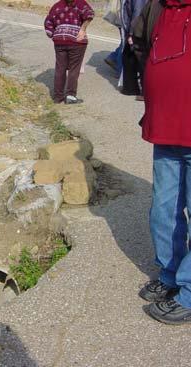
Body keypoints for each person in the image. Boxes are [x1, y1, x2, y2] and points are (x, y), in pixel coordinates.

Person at [139, 0, 191, 325]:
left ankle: (188, 293)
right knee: (163, 209)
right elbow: (141, 48)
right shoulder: (157, 8)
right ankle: (170, 274)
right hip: (164, 130)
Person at [44, 0, 94, 104]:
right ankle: (70, 96)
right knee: (74, 69)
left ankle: (58, 97)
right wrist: (83, 29)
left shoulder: (57, 6)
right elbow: (90, 14)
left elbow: (48, 23)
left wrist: (55, 35)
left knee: (60, 68)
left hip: (59, 41)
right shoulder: (81, 3)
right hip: (76, 41)